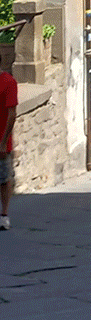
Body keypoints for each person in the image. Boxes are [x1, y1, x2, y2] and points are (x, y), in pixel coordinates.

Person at [0, 52, 16, 229]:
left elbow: (12, 113)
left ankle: (4, 215)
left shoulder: (8, 82)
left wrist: (4, 141)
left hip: (1, 140)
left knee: (4, 179)